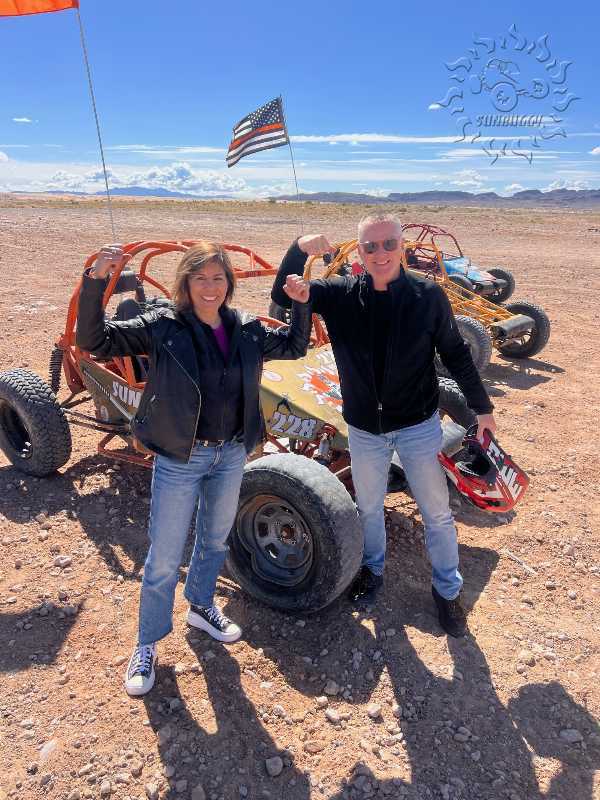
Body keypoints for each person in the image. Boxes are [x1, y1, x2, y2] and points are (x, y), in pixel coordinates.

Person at [77, 241, 311, 695]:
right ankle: (147, 643)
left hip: (230, 453)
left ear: (229, 283)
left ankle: (201, 606)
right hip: (181, 458)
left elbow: (294, 345)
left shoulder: (246, 328)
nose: (210, 287)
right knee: (165, 557)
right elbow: (95, 340)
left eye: (218, 278)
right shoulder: (164, 326)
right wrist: (95, 282)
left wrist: (301, 306)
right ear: (185, 283)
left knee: (214, 540)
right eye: (200, 278)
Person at [270, 213, 496, 637]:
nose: (380, 253)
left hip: (417, 426)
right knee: (369, 507)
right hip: (364, 430)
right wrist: (299, 248)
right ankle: (372, 571)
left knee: (436, 512)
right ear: (359, 251)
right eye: (370, 246)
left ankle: (448, 591)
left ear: (401, 247)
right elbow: (283, 294)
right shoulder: (338, 294)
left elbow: (456, 352)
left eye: (389, 244)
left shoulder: (427, 296)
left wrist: (481, 408)